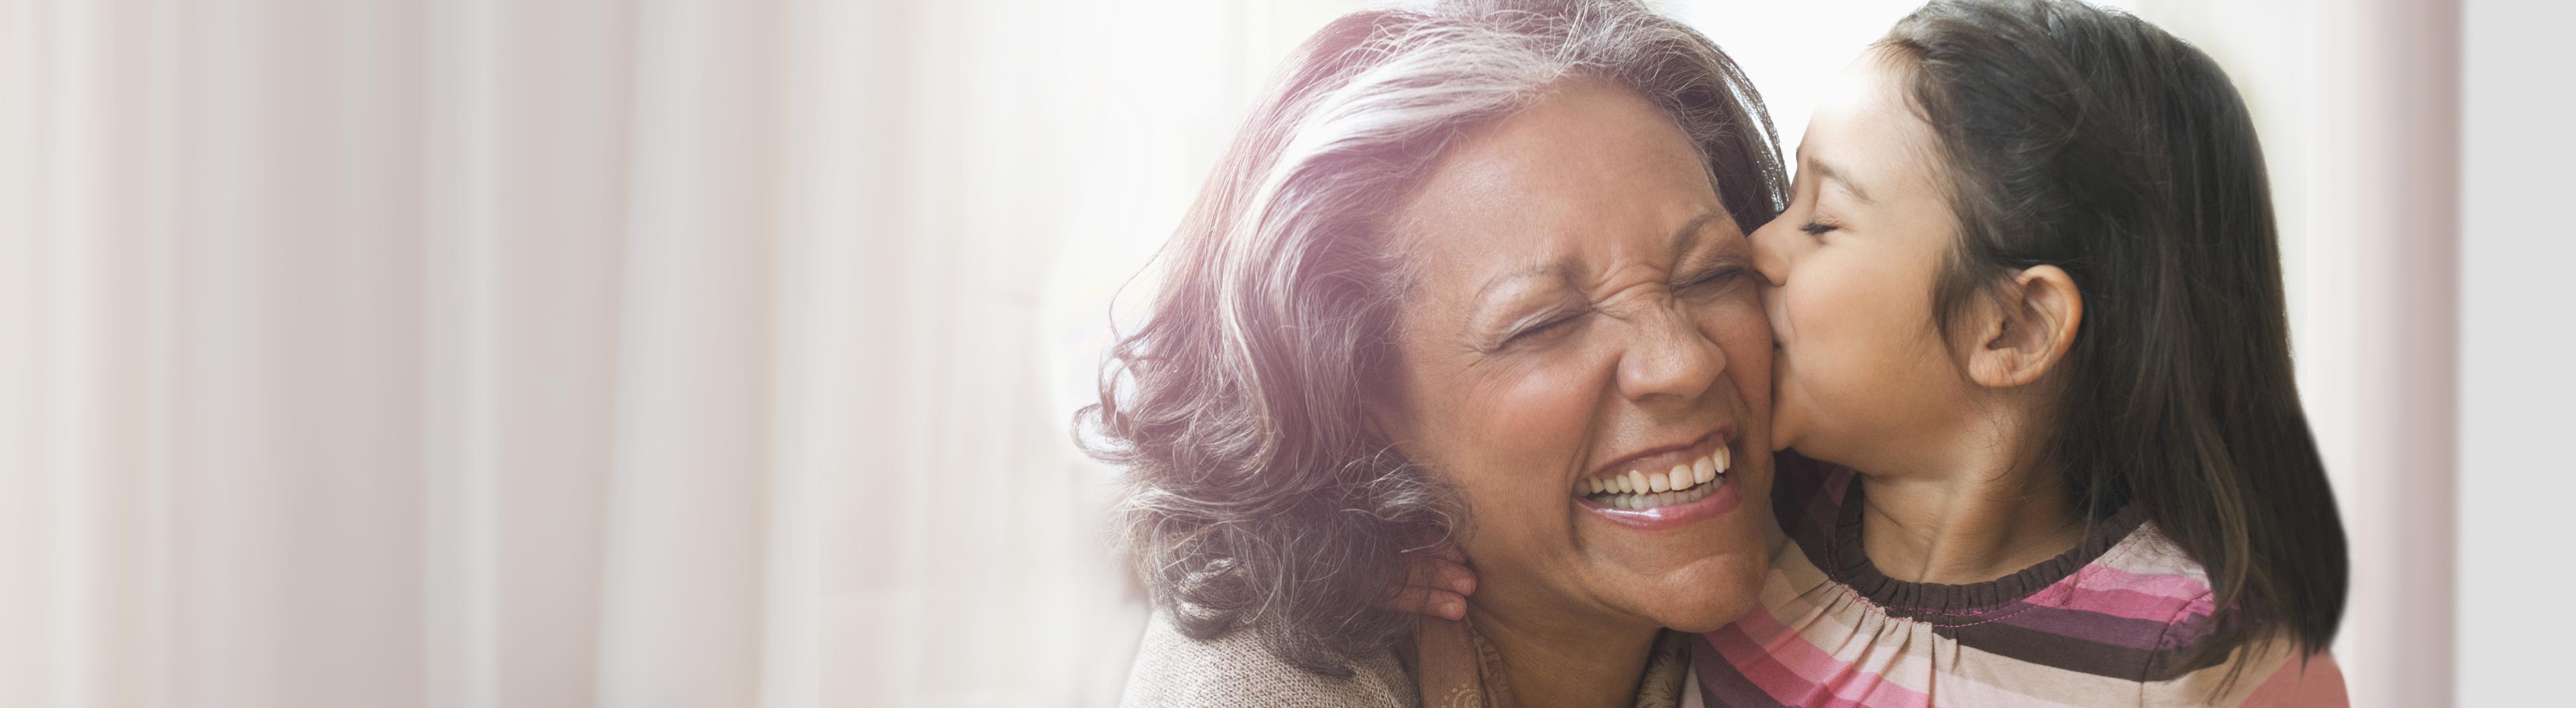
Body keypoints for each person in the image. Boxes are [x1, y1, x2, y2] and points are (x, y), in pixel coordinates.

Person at [1078, 1, 1790, 705]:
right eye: (1545, 322)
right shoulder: (1252, 688)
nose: (1683, 362)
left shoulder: (1830, 545)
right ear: (1348, 404)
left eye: (1712, 274)